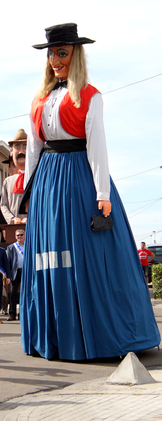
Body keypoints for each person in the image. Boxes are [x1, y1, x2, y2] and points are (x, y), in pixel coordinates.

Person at [22, 23, 160, 360]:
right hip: (47, 184)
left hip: (79, 177)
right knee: (49, 258)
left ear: (75, 54)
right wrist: (28, 193)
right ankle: (54, 335)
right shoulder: (39, 99)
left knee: (87, 256)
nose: (56, 59)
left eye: (63, 53)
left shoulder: (90, 95)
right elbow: (33, 149)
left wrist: (103, 194)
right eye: (52, 53)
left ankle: (99, 334)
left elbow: (97, 146)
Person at [0, 129, 28, 224]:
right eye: (17, 147)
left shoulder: (39, 178)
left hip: (33, 227)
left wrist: (31, 218)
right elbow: (3, 205)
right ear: (12, 152)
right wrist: (12, 219)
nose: (21, 151)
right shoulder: (8, 181)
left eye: (25, 146)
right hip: (14, 230)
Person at [6, 230, 24, 321]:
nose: (20, 236)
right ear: (15, 236)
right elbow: (8, 262)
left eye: (21, 235)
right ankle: (12, 313)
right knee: (13, 293)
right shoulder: (11, 247)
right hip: (15, 272)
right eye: (18, 235)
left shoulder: (28, 246)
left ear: (24, 236)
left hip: (25, 272)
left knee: (24, 293)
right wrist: (8, 276)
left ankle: (22, 313)